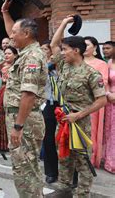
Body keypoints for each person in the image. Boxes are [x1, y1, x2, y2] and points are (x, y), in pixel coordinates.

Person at [50, 15, 107, 196]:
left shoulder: (91, 74)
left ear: (76, 50)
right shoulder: (64, 66)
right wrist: (65, 23)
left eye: (66, 49)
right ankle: (64, 188)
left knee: (82, 160)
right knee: (64, 156)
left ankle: (82, 193)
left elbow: (102, 100)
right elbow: (53, 44)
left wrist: (79, 115)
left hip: (80, 122)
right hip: (64, 119)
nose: (63, 52)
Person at [1, 0, 47, 197]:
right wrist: (5, 13)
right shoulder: (27, 51)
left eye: (14, 33)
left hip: (24, 121)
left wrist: (18, 127)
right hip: (22, 119)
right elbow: (13, 32)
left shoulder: (32, 57)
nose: (11, 37)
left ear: (26, 34)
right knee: (29, 167)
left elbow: (28, 94)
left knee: (24, 171)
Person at [83, 36, 108, 168]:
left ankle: (90, 159)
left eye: (87, 45)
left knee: (91, 130)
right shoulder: (77, 62)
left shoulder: (101, 64)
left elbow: (103, 82)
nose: (84, 47)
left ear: (95, 48)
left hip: (93, 101)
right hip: (77, 102)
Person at [40, 41, 59, 184]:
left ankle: (70, 173)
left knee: (65, 139)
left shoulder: (63, 65)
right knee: (48, 139)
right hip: (48, 104)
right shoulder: (42, 65)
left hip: (64, 104)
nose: (44, 51)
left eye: (46, 49)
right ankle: (51, 172)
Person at [0, 46, 18, 153]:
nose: (7, 55)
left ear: (15, 55)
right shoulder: (1, 66)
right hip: (1, 90)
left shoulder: (18, 66)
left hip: (12, 93)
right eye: (6, 53)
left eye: (9, 53)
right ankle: (0, 143)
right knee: (0, 115)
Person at [104, 50, 115, 173]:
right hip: (110, 100)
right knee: (111, 131)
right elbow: (105, 81)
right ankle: (111, 161)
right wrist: (108, 94)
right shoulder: (109, 62)